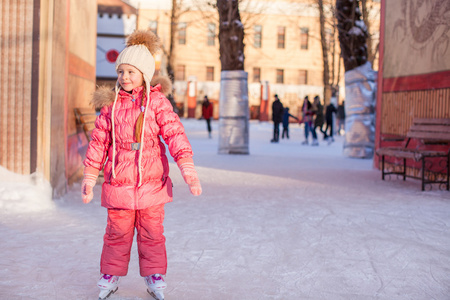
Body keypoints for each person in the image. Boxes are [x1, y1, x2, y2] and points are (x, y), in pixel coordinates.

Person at [81, 30, 202, 300]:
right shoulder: (110, 107)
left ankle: (154, 274)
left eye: (131, 72)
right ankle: (110, 276)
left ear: (145, 74)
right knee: (117, 234)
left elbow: (175, 134)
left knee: (152, 234)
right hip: (119, 184)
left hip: (151, 184)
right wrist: (90, 177)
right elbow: (98, 143)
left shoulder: (157, 103)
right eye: (121, 71)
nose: (124, 77)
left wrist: (188, 168)